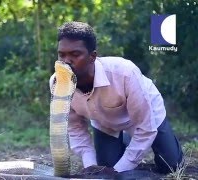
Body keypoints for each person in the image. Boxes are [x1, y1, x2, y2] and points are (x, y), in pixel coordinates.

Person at [49, 21, 183, 175]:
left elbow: (146, 128)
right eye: (62, 54)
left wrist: (118, 170)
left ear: (92, 56)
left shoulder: (125, 73)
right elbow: (76, 129)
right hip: (106, 123)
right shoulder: (57, 82)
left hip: (148, 115)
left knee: (171, 166)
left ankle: (164, 147)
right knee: (104, 169)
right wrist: (91, 166)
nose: (66, 61)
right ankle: (124, 140)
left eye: (75, 54)